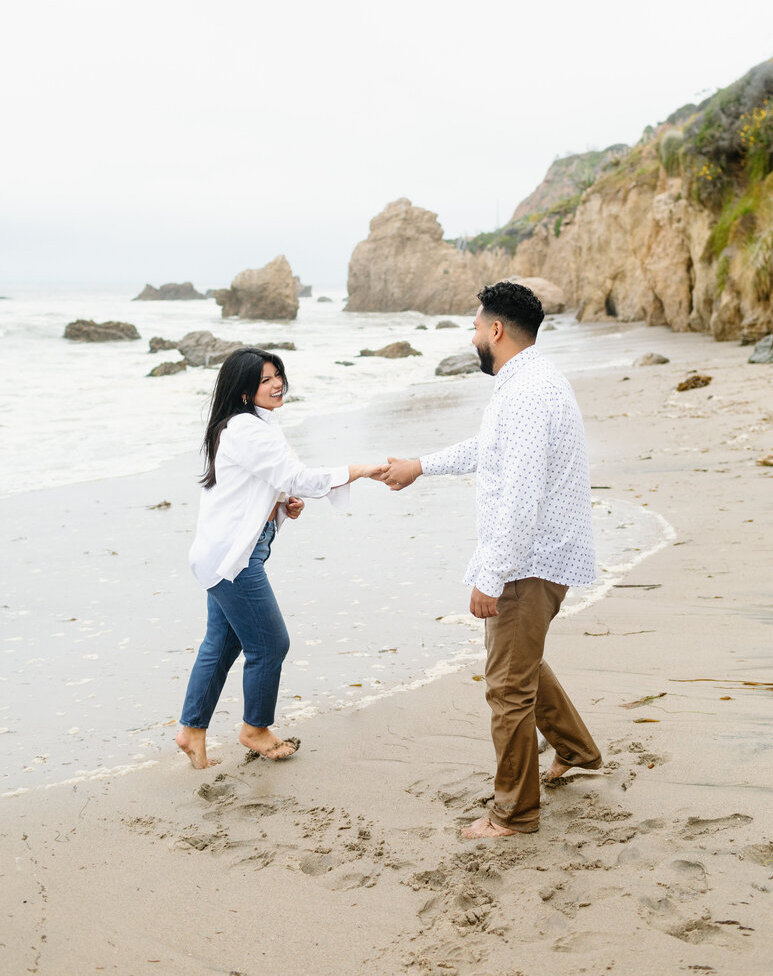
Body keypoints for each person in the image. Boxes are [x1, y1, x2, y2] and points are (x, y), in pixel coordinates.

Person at [380, 281, 602, 839]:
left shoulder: (526, 393)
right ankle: (575, 750)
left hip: (530, 560)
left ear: (496, 330)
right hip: (541, 553)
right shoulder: (530, 380)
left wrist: (490, 574)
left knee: (507, 687)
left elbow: (522, 495)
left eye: (476, 327)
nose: (474, 336)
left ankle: (516, 813)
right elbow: (489, 451)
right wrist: (419, 465)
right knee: (518, 666)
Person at [176, 347, 381, 770]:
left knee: (223, 642)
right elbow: (294, 475)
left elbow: (257, 485)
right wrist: (354, 470)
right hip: (234, 560)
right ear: (245, 390)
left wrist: (282, 503)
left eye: (278, 375)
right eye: (265, 379)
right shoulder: (247, 430)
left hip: (221, 554)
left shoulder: (245, 426)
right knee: (270, 643)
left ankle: (191, 731)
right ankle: (255, 729)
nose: (277, 384)